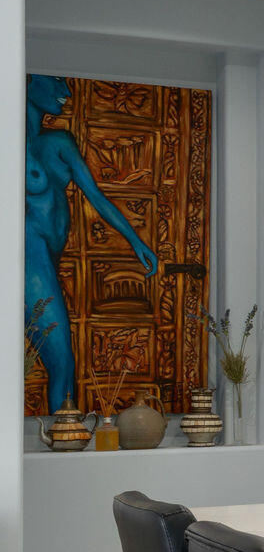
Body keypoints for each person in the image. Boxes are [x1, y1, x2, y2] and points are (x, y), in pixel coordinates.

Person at [24, 75, 158, 411]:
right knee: (63, 362)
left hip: (47, 258)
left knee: (61, 363)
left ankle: (63, 443)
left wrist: (135, 241)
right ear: (28, 83)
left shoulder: (58, 142)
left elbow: (97, 197)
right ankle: (61, 445)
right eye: (55, 81)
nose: (65, 92)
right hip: (27, 254)